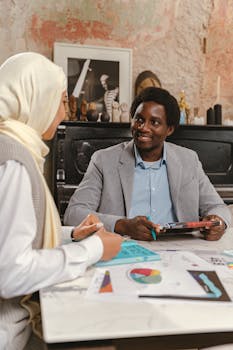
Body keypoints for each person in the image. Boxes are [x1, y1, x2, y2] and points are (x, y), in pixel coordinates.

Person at [0, 52, 122, 350]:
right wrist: (92, 248)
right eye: (62, 100)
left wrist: (70, 235)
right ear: (38, 98)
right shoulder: (13, 162)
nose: (64, 113)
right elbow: (11, 272)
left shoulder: (12, 146)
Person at [64, 86, 231, 241]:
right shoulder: (103, 160)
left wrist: (219, 222)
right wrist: (122, 225)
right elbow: (73, 213)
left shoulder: (189, 160)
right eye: (139, 120)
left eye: (155, 122)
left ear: (170, 129)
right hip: (125, 247)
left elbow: (217, 207)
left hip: (181, 248)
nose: (143, 128)